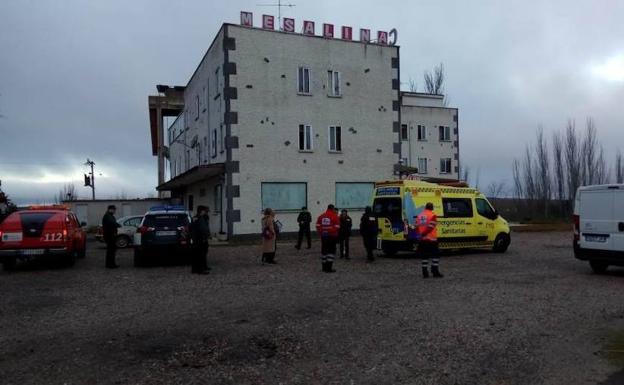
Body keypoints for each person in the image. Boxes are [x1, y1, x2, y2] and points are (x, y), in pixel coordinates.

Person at [416, 202, 443, 278]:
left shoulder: (420, 215)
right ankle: (435, 271)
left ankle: (425, 272)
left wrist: (420, 235)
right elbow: (430, 227)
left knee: (424, 256)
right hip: (431, 240)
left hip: (422, 240)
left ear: (425, 207)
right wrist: (424, 234)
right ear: (432, 208)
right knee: (435, 255)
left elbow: (417, 227)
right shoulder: (433, 216)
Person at [316, 204, 340, 273]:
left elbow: (317, 226)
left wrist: (323, 231)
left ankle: (324, 267)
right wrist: (330, 230)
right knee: (331, 251)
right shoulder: (335, 216)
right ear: (332, 209)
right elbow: (337, 226)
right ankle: (329, 268)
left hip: (324, 236)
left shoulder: (321, 216)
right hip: (332, 236)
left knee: (324, 250)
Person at [190, 205, 211, 274]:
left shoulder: (198, 218)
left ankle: (196, 269)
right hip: (200, 239)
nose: (205, 212)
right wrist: (206, 236)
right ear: (202, 211)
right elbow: (202, 229)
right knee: (200, 255)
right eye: (204, 211)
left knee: (198, 254)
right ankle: (200, 270)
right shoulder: (199, 218)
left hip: (198, 239)